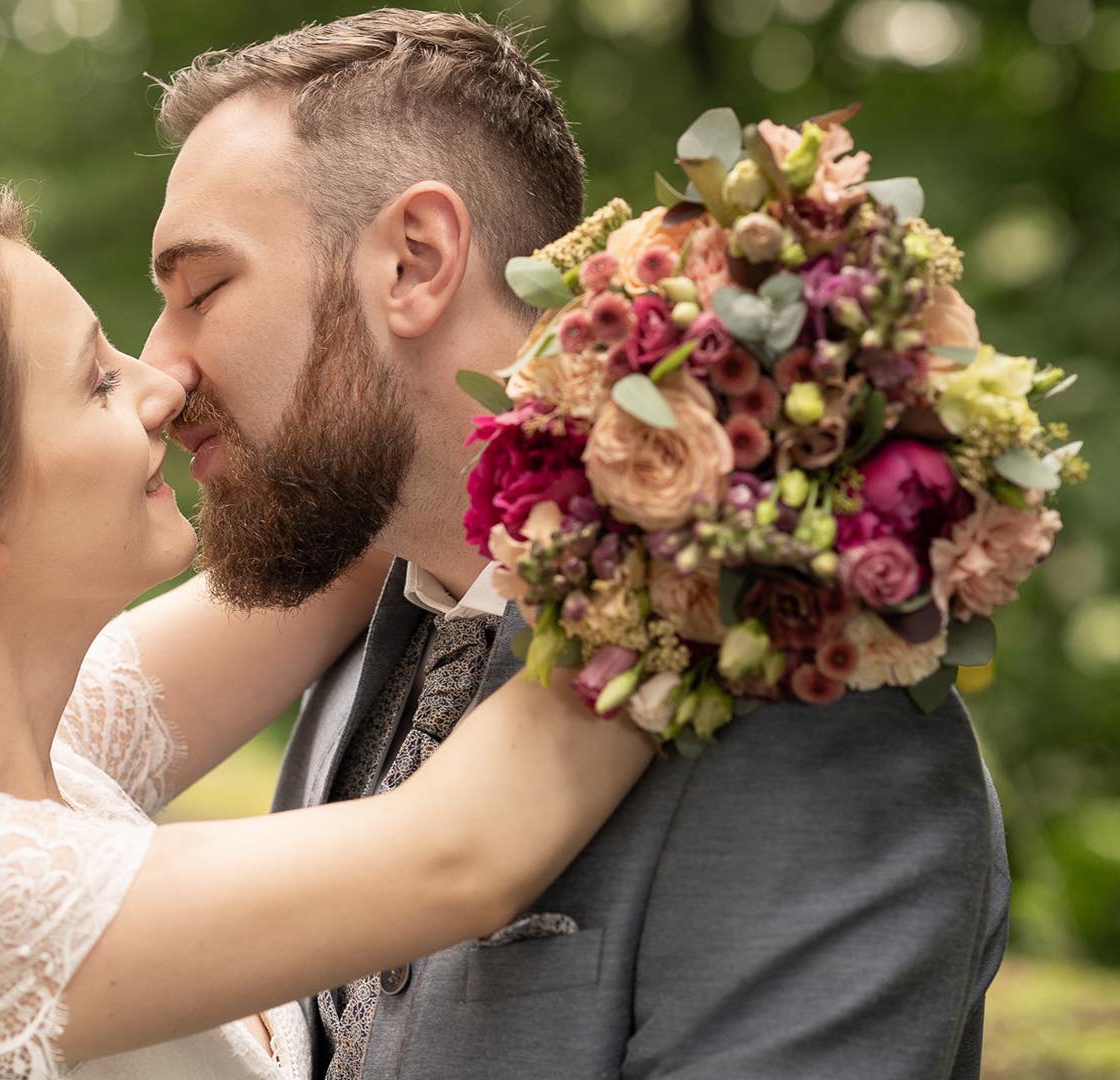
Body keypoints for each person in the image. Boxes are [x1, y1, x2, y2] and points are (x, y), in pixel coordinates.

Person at [0, 180, 653, 1079]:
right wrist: (710, 453)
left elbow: (371, 513)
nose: (164, 382)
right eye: (98, 381)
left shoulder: (36, 749)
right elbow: (462, 856)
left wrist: (394, 296)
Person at [142, 9, 1011, 1078]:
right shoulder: (347, 638)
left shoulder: (806, 702)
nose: (157, 373)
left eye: (202, 290)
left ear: (414, 261)